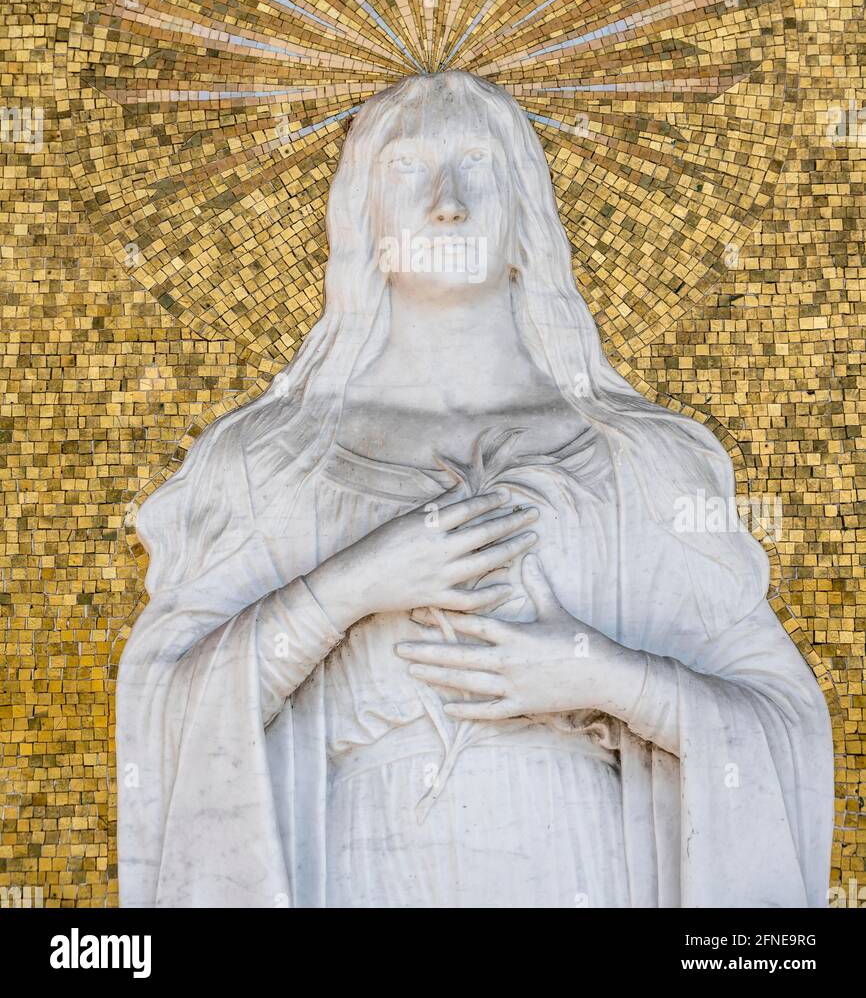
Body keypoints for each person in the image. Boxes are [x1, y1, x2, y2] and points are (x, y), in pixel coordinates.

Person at [117, 69, 833, 908]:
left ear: (525, 215)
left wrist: (603, 676)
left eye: (477, 166)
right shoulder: (268, 460)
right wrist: (346, 589)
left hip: (578, 863)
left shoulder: (638, 460)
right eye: (407, 170)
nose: (447, 201)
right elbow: (165, 711)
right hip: (362, 866)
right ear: (362, 219)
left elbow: (779, 725)